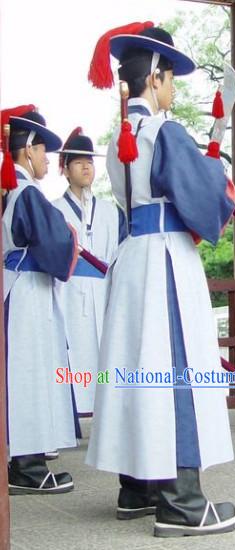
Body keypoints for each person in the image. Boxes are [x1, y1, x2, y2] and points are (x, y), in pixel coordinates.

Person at [86, 23, 235, 537]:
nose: (173, 91)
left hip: (132, 258)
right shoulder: (165, 131)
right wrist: (220, 177)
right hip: (166, 261)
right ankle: (183, 501)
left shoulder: (116, 142)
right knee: (177, 372)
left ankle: (137, 488)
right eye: (170, 80)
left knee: (135, 369)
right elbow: (206, 198)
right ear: (154, 77)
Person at [2, 106, 79, 494]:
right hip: (27, 289)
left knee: (20, 373)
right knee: (28, 373)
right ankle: (28, 467)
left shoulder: (9, 187)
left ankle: (24, 460)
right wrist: (70, 236)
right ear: (27, 149)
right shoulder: (25, 190)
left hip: (14, 284)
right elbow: (56, 242)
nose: (46, 159)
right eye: (42, 150)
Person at [53, 129, 126, 414]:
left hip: (105, 287)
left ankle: (109, 415)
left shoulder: (111, 210)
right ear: (66, 170)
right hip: (69, 290)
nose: (86, 167)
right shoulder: (55, 210)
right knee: (74, 352)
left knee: (108, 352)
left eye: (90, 162)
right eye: (78, 162)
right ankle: (69, 414)